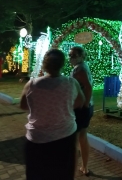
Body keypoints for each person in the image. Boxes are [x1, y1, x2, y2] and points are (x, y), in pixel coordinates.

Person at [20, 49, 85, 180]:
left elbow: (23, 105)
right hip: (65, 137)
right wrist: (63, 107)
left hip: (37, 138)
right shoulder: (71, 83)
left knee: (37, 174)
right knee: (63, 174)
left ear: (44, 64)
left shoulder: (32, 84)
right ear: (62, 63)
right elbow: (80, 101)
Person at [69, 46, 94, 176]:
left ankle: (73, 170)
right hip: (86, 107)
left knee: (75, 140)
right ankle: (84, 167)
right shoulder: (83, 66)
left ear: (81, 56)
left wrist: (84, 104)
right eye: (69, 55)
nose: (70, 58)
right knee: (82, 137)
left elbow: (88, 87)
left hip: (81, 108)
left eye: (73, 55)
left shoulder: (80, 69)